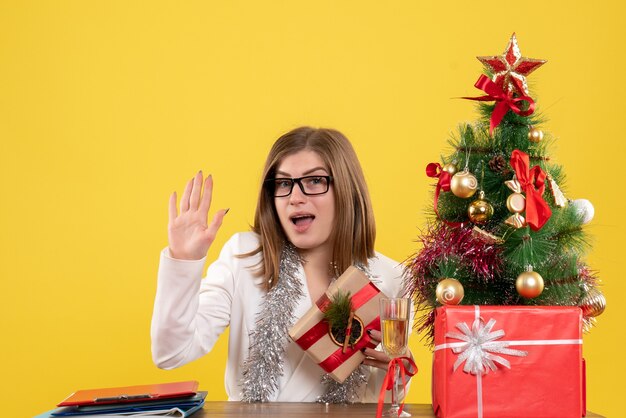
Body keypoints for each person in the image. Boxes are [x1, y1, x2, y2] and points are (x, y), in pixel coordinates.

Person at [151, 126, 412, 403]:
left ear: (346, 190)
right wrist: (183, 262)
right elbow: (171, 353)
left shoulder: (391, 278)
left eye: (314, 181)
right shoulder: (244, 256)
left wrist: (401, 371)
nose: (295, 197)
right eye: (284, 183)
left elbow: (387, 398)